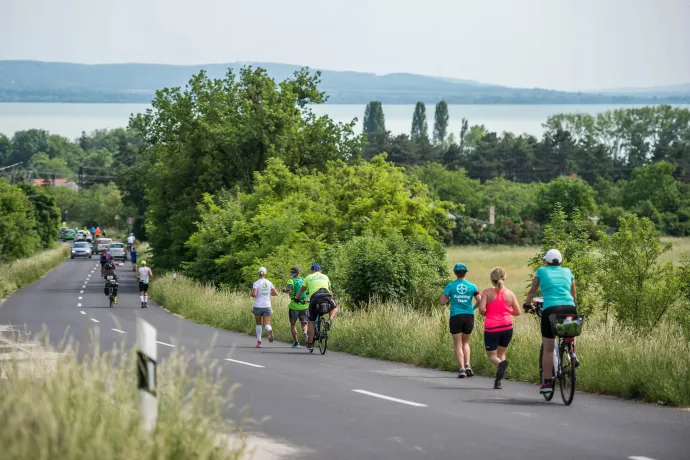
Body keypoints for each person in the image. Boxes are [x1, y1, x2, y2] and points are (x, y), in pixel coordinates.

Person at [524, 248, 578, 394]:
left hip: (551, 310)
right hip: (569, 308)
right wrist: (573, 304)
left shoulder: (541, 271)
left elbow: (532, 291)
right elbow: (573, 293)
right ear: (560, 261)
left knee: (548, 349)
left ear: (546, 261)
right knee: (569, 334)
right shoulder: (568, 271)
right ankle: (572, 353)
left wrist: (527, 304)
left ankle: (547, 382)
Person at [477, 267, 521, 389]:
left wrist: (486, 312)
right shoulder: (510, 293)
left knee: (492, 355)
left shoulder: (487, 292)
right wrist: (507, 312)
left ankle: (500, 365)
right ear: (504, 278)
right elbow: (518, 312)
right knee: (501, 352)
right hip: (507, 327)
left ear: (492, 279)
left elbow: (482, 309)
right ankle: (498, 381)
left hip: (492, 328)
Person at [440, 262, 481, 378]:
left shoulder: (450, 286)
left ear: (455, 273)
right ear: (465, 273)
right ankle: (468, 364)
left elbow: (442, 302)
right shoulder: (472, 286)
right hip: (469, 316)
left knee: (458, 344)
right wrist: (473, 308)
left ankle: (462, 369)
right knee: (465, 342)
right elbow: (480, 300)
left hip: (456, 316)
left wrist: (448, 299)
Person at [294, 264, 338, 352]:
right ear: (320, 270)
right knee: (335, 307)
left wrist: (296, 298)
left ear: (312, 271)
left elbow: (302, 290)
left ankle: (310, 344)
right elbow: (330, 291)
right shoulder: (325, 277)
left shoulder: (308, 277)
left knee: (311, 321)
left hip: (315, 298)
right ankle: (329, 320)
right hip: (326, 296)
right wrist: (330, 300)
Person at [251, 267, 278, 348]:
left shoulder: (256, 283)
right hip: (267, 306)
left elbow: (255, 294)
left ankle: (259, 342)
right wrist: (268, 294)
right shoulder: (269, 282)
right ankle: (269, 330)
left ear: (258, 273)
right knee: (266, 324)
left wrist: (251, 294)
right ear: (265, 273)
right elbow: (275, 293)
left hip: (258, 306)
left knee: (258, 323)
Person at [284, 266, 308, 348]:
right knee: (304, 323)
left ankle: (296, 342)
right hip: (304, 305)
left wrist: (285, 290)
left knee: (293, 324)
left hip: (294, 305)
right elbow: (307, 292)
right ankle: (305, 332)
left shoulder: (291, 280)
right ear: (299, 272)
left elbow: (288, 290)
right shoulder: (304, 280)